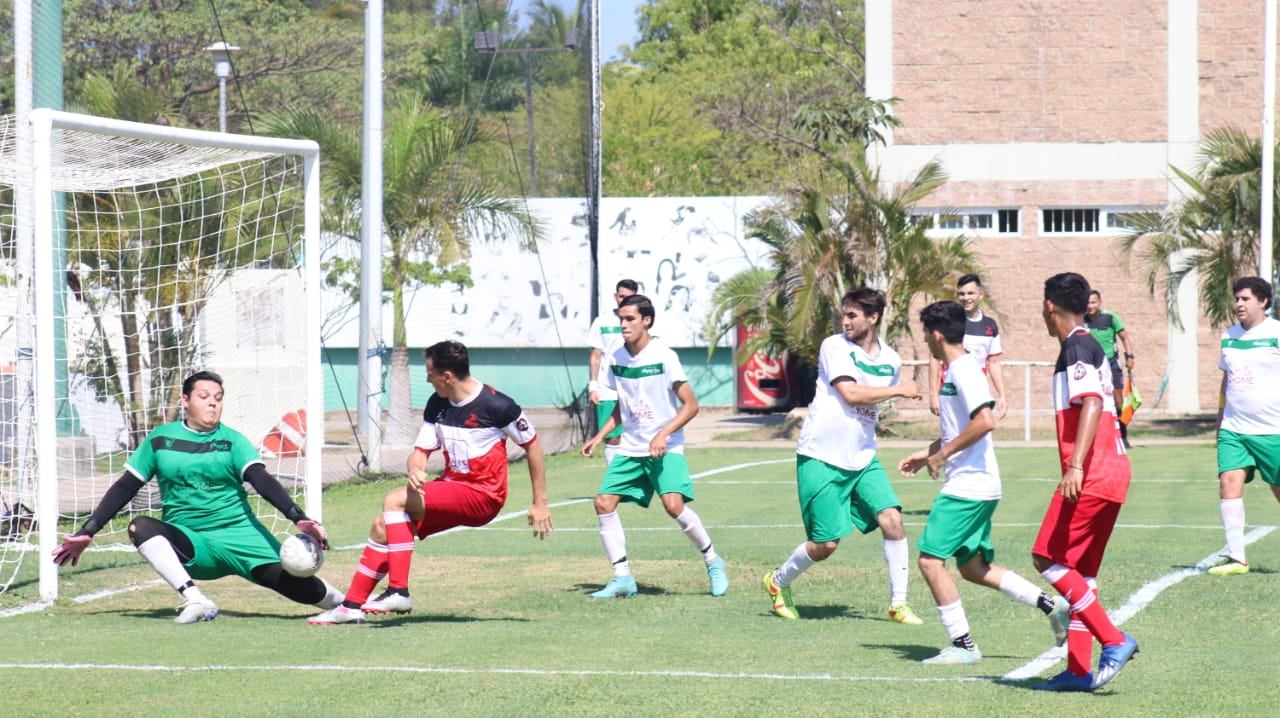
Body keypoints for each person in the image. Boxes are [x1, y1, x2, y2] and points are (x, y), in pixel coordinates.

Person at [51, 371, 342, 624]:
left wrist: (299, 517)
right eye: (204, 396)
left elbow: (262, 480)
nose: (213, 402)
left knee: (306, 590)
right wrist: (87, 532)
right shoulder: (161, 440)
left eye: (218, 397)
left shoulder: (233, 441)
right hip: (192, 542)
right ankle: (196, 600)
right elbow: (125, 487)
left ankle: (351, 603)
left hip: (242, 538)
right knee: (141, 526)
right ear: (186, 400)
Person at [309, 340, 553, 624]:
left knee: (394, 499)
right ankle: (350, 607)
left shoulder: (498, 405)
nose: (427, 378)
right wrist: (416, 469)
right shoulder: (437, 404)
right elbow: (420, 452)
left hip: (484, 496)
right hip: (452, 486)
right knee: (383, 526)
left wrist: (540, 503)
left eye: (430, 373)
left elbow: (533, 446)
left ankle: (399, 590)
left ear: (447, 376)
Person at [898, 301, 1070, 665]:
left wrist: (942, 457)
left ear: (937, 333)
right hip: (978, 484)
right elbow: (960, 429)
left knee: (930, 562)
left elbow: (985, 421)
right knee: (973, 569)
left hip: (968, 486)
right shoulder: (955, 371)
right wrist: (927, 452)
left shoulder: (964, 371)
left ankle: (963, 646)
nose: (926, 341)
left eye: (926, 333)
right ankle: (1052, 605)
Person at [761, 288, 924, 623]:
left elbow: (873, 403)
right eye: (844, 314)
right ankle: (778, 581)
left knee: (892, 518)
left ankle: (899, 603)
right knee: (826, 544)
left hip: (863, 456)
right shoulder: (834, 346)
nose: (844, 320)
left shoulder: (891, 360)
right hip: (821, 454)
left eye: (852, 315)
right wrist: (900, 389)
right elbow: (850, 394)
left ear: (873, 318)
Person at [1031, 272, 1138, 692]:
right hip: (1114, 470)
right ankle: (1078, 671)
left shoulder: (1077, 343)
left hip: (1091, 472)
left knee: (1047, 558)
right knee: (1081, 574)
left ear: (1049, 306)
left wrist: (1075, 466)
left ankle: (1114, 639)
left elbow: (1091, 401)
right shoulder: (1091, 343)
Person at [581, 294, 728, 598]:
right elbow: (624, 406)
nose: (623, 325)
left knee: (674, 506)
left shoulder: (664, 355)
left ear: (646, 320)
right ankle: (622, 576)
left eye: (630, 319)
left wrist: (662, 434)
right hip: (631, 448)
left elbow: (690, 406)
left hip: (667, 446)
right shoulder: (616, 357)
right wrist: (599, 436)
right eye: (621, 319)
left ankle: (713, 560)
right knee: (603, 502)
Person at [1207, 276, 1280, 576]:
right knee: (1228, 484)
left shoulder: (1276, 332)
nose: (1238, 303)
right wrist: (1220, 415)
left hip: (1272, 429)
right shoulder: (1229, 335)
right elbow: (1227, 378)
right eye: (1237, 298)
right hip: (1234, 428)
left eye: (1245, 298)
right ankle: (1237, 558)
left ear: (1263, 301)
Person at [929, 274, 1007, 420]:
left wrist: (1002, 395)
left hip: (977, 390)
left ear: (980, 295)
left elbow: (994, 362)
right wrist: (933, 394)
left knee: (978, 430)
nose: (966, 298)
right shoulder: (950, 322)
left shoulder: (990, 325)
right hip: (952, 389)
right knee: (953, 434)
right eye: (962, 294)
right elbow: (935, 359)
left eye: (970, 293)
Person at [586, 279, 639, 466]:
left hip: (634, 384)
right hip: (607, 387)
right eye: (621, 296)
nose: (623, 300)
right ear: (615, 297)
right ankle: (615, 483)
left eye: (629, 297)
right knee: (612, 437)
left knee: (634, 435)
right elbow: (595, 355)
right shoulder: (602, 322)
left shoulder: (640, 321)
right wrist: (593, 385)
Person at [1085, 290, 1136, 448]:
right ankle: (1096, 438)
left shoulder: (1110, 317)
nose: (1090, 306)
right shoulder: (1081, 319)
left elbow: (1124, 337)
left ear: (1099, 303)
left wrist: (1130, 356)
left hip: (1112, 363)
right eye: (1087, 303)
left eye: (1093, 302)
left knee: (1118, 401)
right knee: (1093, 401)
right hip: (1092, 366)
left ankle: (1123, 436)